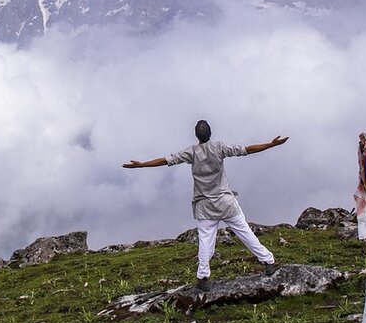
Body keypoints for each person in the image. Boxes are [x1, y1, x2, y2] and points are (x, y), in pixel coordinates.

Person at [123, 119, 289, 287]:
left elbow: (165, 160)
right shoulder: (220, 147)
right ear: (210, 133)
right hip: (226, 201)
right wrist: (271, 144)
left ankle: (203, 278)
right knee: (245, 232)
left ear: (196, 135)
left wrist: (141, 165)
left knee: (205, 242)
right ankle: (268, 262)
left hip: (205, 206)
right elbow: (247, 150)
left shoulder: (191, 152)